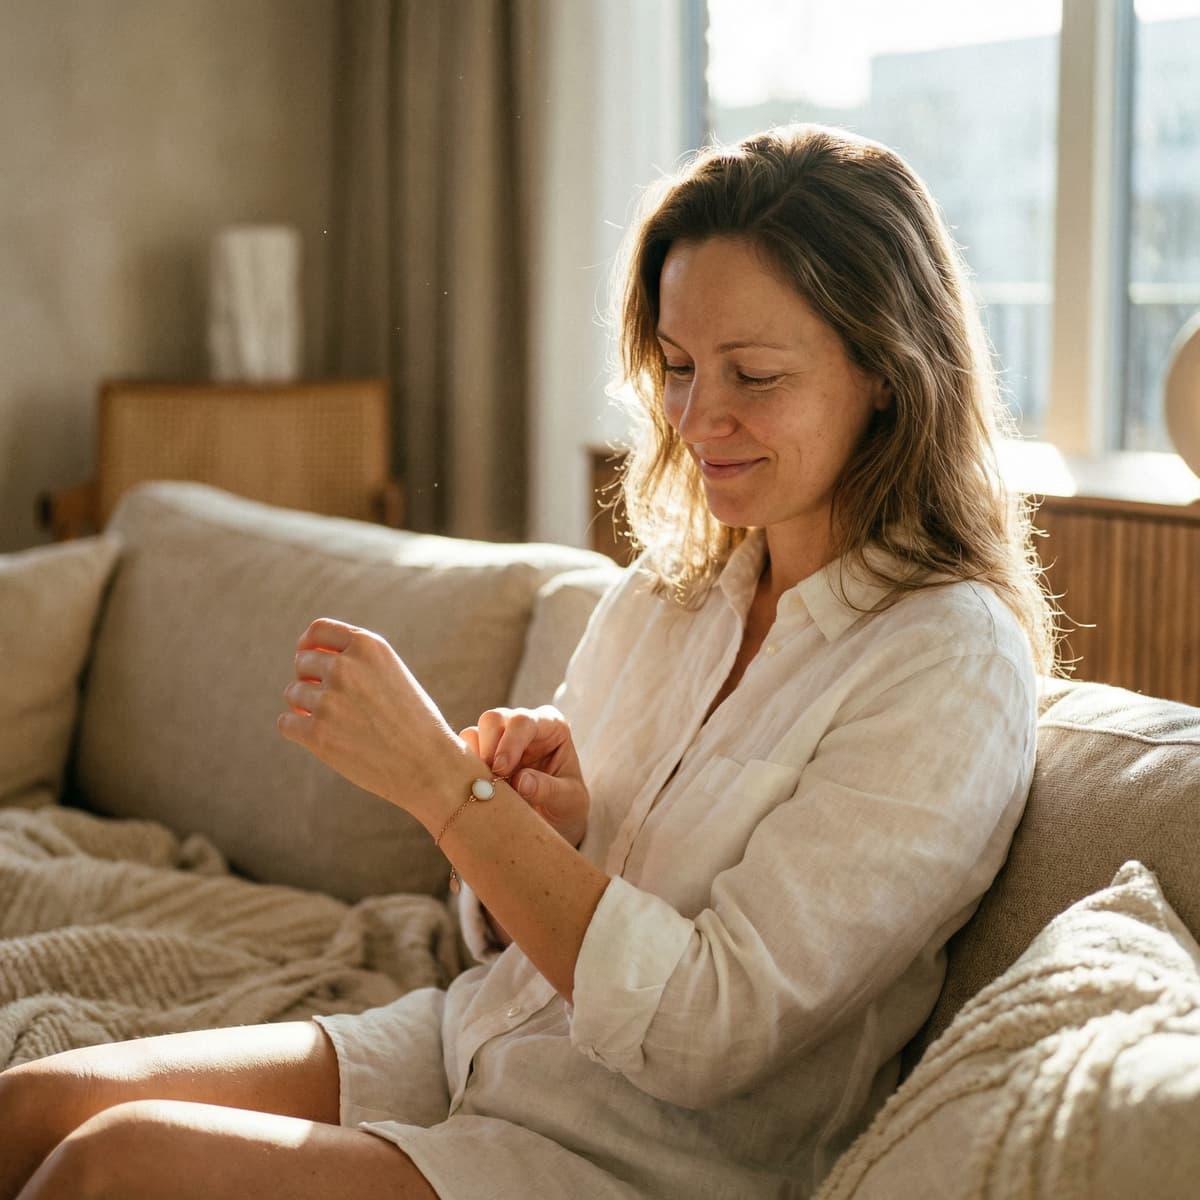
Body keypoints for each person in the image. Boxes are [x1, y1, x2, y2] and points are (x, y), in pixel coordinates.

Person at [0, 124, 1053, 1199]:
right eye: (680, 368)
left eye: (755, 373)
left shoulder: (946, 664)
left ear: (888, 371)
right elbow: (492, 936)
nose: (699, 418)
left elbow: (706, 1032)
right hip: (469, 1046)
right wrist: (537, 829)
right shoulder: (671, 597)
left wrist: (447, 793)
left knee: (110, 1169)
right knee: (29, 1110)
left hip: (628, 1161)